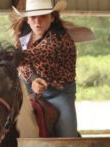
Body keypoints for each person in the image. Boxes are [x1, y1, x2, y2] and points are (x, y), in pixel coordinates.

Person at [9, 0, 96, 137]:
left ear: (52, 17)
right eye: (33, 17)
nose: (37, 22)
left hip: (59, 92)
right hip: (27, 87)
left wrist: (1, 56)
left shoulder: (60, 38)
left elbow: (31, 56)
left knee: (67, 138)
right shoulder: (22, 38)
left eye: (43, 16)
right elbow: (23, 65)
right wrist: (33, 79)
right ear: (27, 20)